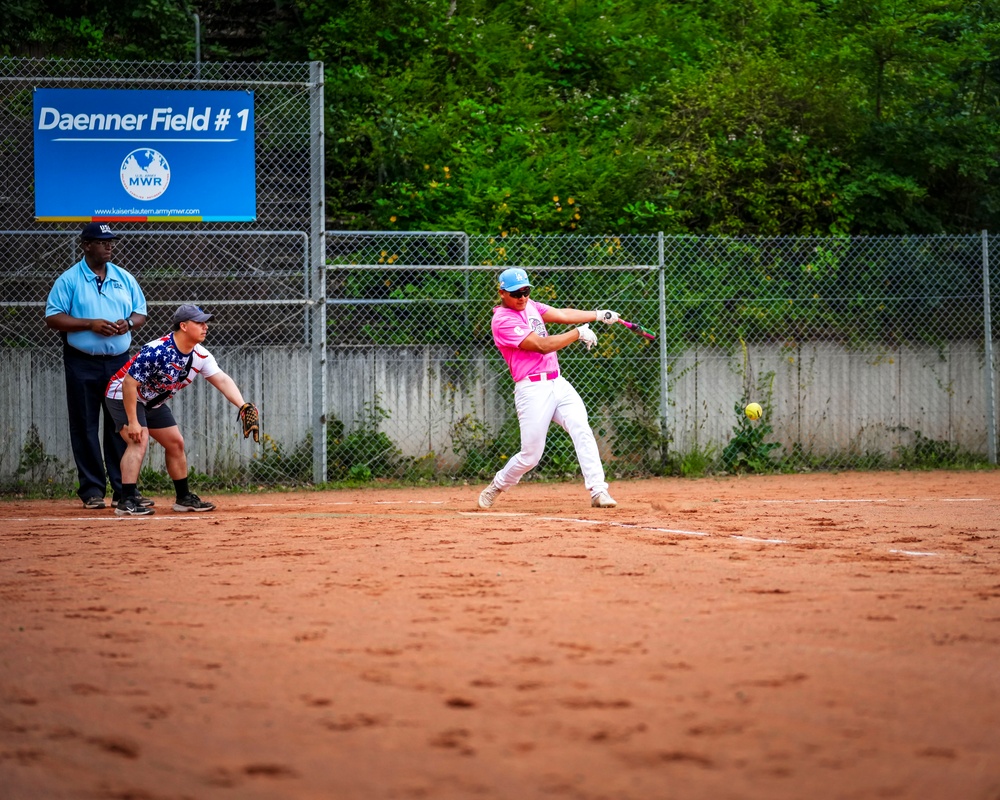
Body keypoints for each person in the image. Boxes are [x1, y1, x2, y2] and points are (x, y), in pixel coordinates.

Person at [478, 267, 621, 510]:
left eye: (526, 291)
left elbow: (562, 314)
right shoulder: (502, 320)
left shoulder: (530, 305)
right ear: (502, 293)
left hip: (558, 383)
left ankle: (599, 491)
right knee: (531, 456)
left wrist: (597, 314)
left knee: (582, 429)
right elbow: (542, 345)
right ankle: (498, 485)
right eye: (516, 293)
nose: (522, 297)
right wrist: (577, 334)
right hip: (532, 389)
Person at [104, 304, 253, 516]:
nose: (205, 327)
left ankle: (183, 498)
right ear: (183, 326)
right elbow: (129, 384)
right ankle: (126, 500)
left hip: (151, 400)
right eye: (199, 322)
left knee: (175, 442)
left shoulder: (199, 355)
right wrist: (133, 421)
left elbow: (221, 379)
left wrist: (243, 405)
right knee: (139, 439)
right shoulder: (157, 351)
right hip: (122, 394)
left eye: (205, 322)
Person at [45, 222, 151, 510]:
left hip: (119, 363)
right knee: (85, 425)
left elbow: (140, 313)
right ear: (86, 245)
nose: (109, 246)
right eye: (102, 242)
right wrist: (89, 324)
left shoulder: (124, 278)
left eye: (111, 242)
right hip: (82, 362)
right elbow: (53, 318)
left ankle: (124, 489)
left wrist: (126, 324)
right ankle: (92, 490)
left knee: (122, 425)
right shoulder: (69, 280)